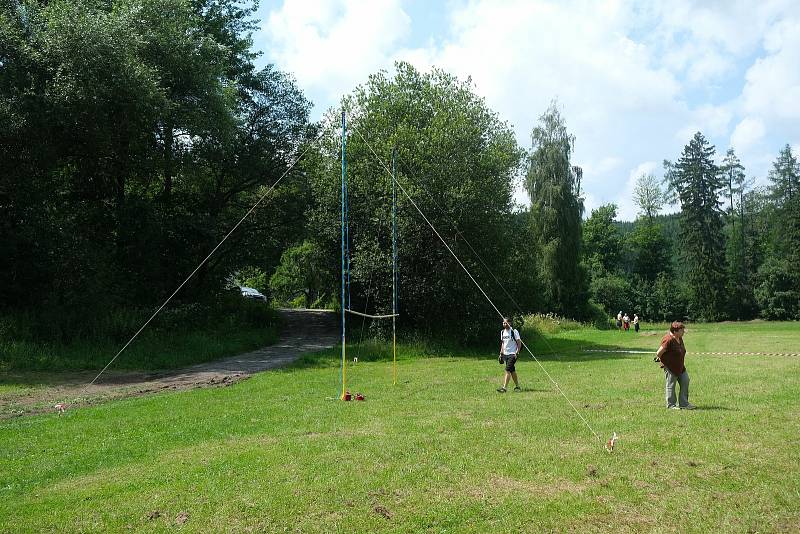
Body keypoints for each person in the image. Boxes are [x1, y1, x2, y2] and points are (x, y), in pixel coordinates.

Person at [655, 321, 695, 410]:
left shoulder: (679, 338)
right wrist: (662, 361)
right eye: (682, 330)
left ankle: (684, 404)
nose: (683, 332)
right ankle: (671, 405)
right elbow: (658, 353)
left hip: (680, 366)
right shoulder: (668, 340)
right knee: (671, 385)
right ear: (675, 331)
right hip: (670, 367)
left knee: (685, 381)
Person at [497, 317, 522, 392]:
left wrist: (517, 352)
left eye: (506, 322)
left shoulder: (514, 331)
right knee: (512, 370)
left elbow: (519, 342)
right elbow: (503, 343)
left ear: (510, 323)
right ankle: (517, 386)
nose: (504, 324)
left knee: (507, 370)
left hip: (513, 354)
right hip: (505, 354)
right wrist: (501, 353)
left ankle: (504, 388)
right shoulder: (502, 332)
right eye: (503, 323)